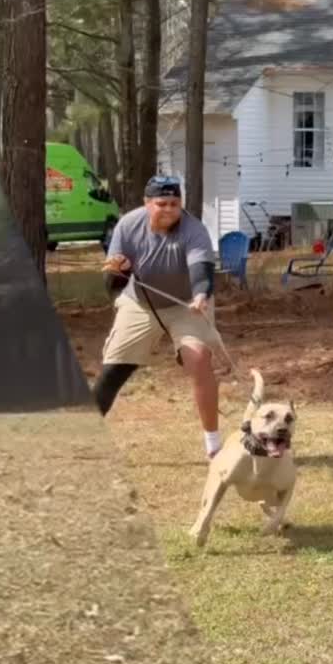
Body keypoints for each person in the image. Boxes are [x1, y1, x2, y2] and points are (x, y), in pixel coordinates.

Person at [93, 175, 222, 459]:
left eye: (174, 204)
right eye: (161, 203)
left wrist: (201, 294)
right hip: (140, 303)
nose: (168, 210)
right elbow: (111, 285)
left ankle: (214, 445)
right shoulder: (128, 225)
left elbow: (201, 272)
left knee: (199, 359)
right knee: (113, 369)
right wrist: (121, 270)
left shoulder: (194, 230)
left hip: (188, 304)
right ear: (147, 203)